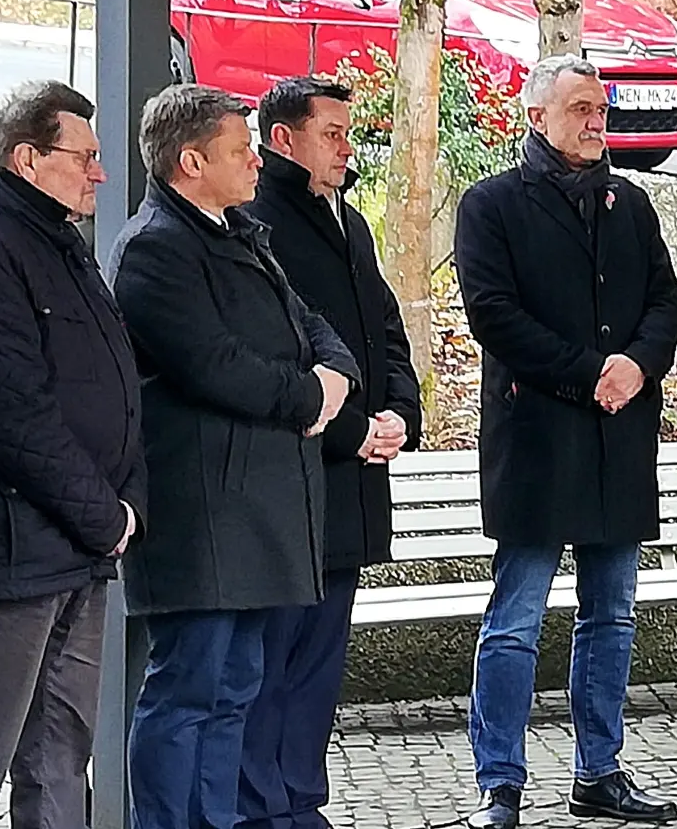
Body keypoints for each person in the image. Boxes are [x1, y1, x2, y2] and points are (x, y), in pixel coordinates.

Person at [105, 84, 361, 829]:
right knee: (188, 687)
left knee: (237, 687)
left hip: (257, 509)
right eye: (240, 150)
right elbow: (214, 365)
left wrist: (334, 376)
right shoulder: (155, 249)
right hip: (202, 514)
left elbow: (316, 327)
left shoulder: (240, 230)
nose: (256, 160)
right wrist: (310, 398)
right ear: (191, 161)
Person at [454, 54, 677, 829]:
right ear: (535, 118)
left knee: (612, 615)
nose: (597, 122)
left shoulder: (631, 202)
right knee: (516, 619)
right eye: (582, 108)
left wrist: (638, 365)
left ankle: (599, 771)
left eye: (602, 110)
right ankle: (500, 782)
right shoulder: (490, 205)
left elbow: (666, 301)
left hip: (618, 441)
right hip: (539, 439)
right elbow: (494, 315)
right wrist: (593, 373)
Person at [0, 81, 143, 829]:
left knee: (62, 751)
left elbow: (119, 383)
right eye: (84, 156)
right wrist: (105, 517)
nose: (99, 172)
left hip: (79, 547)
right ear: (29, 158)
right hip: (14, 552)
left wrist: (128, 508)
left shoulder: (61, 243)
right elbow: (8, 415)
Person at [236, 77, 423, 829]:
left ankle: (301, 803)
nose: (349, 147)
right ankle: (262, 810)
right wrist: (354, 430)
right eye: (333, 132)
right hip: (290, 484)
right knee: (270, 665)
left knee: (318, 668)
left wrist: (401, 413)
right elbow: (277, 355)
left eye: (349, 133)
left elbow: (384, 330)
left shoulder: (350, 222)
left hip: (351, 484)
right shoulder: (255, 223)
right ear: (283, 139)